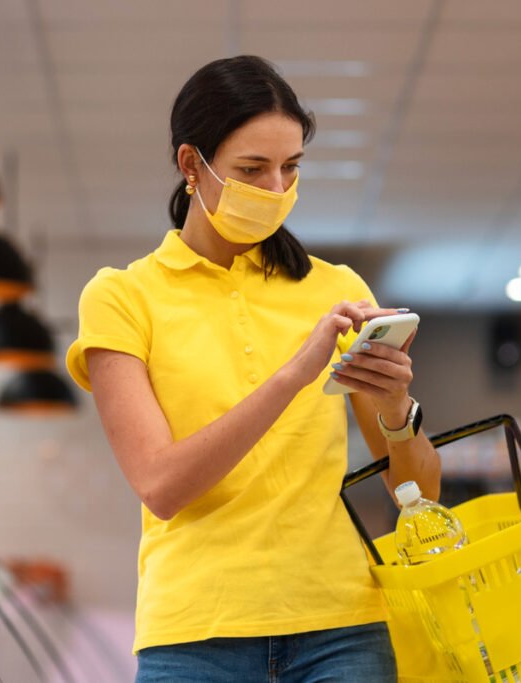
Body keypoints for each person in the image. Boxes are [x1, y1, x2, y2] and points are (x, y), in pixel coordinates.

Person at [67, 55, 441, 682]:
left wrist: (398, 409)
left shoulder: (337, 287)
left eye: (290, 167)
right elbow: (161, 486)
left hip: (343, 625)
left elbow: (420, 494)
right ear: (192, 164)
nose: (275, 190)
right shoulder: (122, 297)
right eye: (251, 169)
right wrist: (294, 375)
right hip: (195, 637)